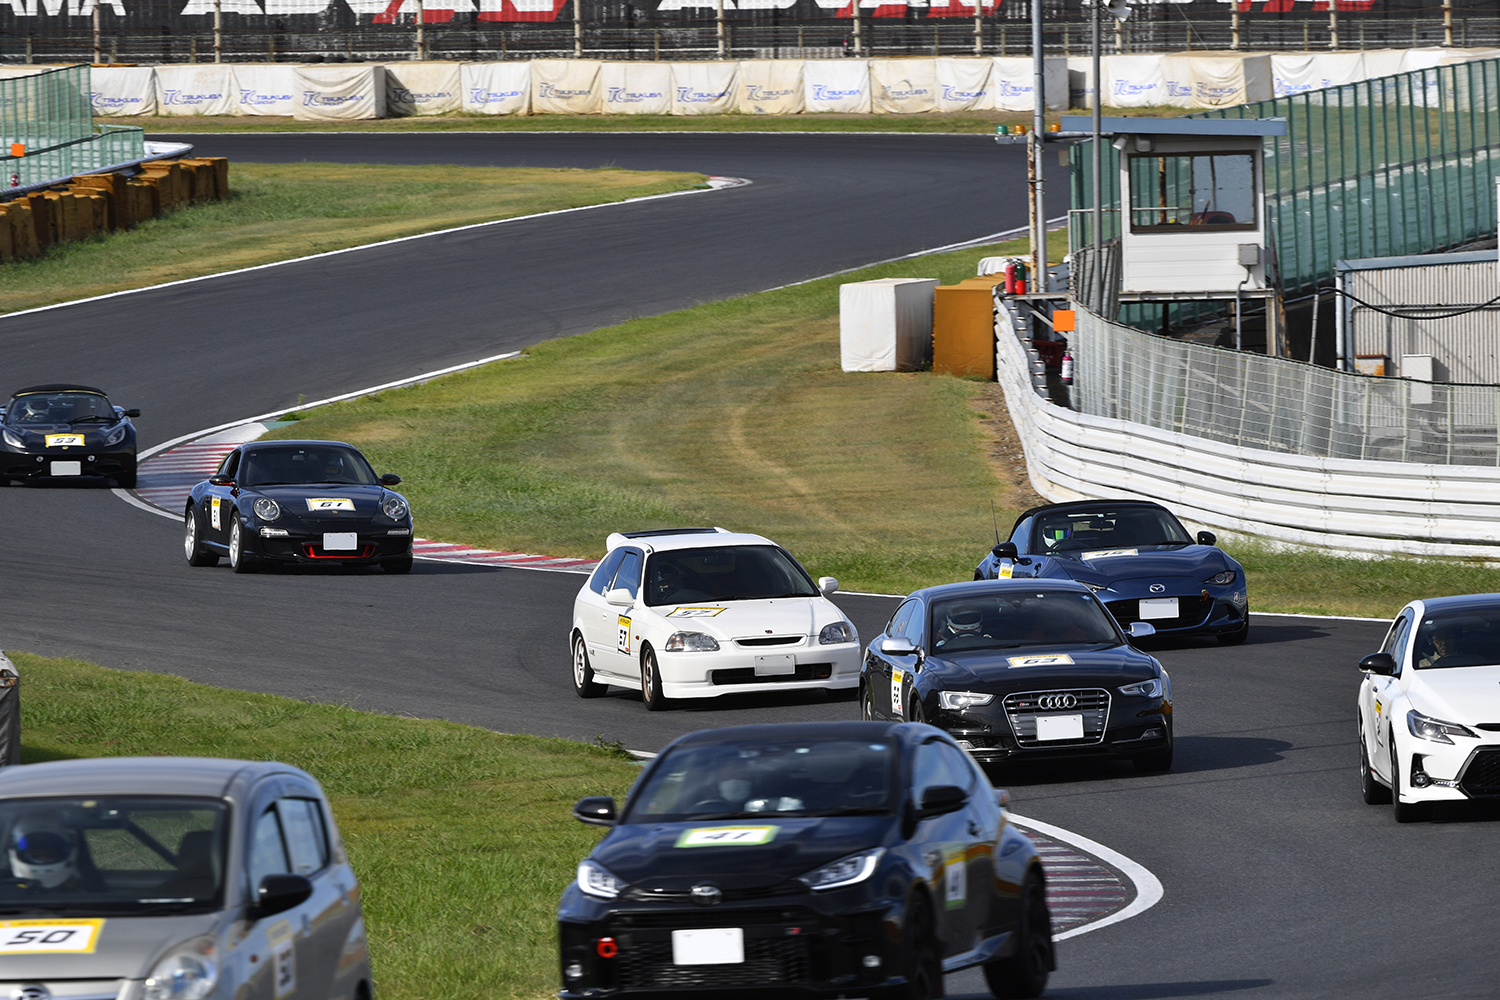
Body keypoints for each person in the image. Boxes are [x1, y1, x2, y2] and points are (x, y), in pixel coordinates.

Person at [7, 814, 89, 891]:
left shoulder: (85, 890)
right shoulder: (7, 888)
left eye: (48, 854)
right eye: (36, 855)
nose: (43, 858)